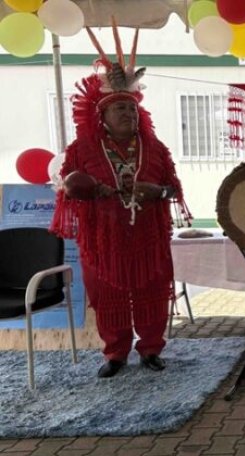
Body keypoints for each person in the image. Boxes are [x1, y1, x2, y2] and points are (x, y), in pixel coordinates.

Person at [50, 26, 191, 378]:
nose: (128, 113)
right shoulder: (81, 150)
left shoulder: (156, 149)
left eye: (131, 107)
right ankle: (115, 353)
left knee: (152, 292)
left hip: (148, 238)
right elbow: (66, 187)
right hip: (103, 240)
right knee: (107, 295)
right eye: (120, 109)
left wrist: (156, 192)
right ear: (103, 117)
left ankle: (151, 349)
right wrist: (90, 189)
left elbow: (174, 189)